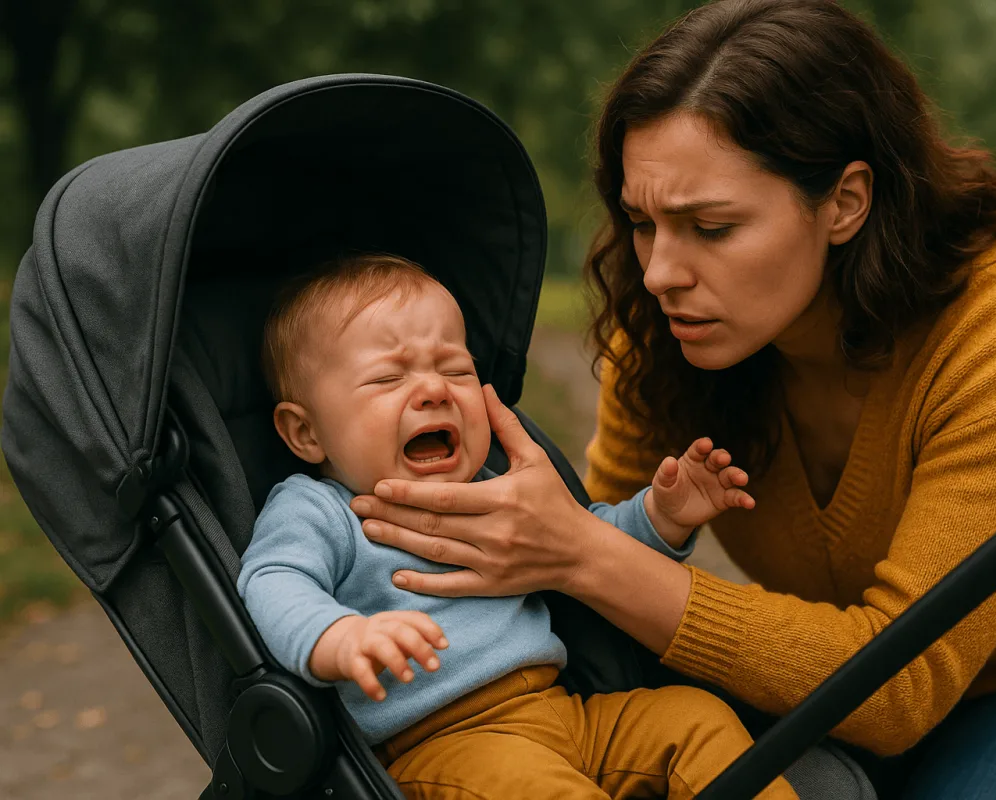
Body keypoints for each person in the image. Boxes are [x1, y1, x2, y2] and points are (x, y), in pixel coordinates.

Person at [348, 1, 996, 798]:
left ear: (845, 202)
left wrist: (581, 552)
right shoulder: (673, 327)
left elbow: (898, 688)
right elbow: (603, 553)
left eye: (710, 228)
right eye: (643, 221)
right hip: (823, 684)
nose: (658, 272)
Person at [237, 253, 796, 800]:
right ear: (305, 434)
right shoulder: (320, 509)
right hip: (449, 744)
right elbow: (272, 579)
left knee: (694, 717)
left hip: (566, 711)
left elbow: (582, 537)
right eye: (387, 378)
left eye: (456, 368)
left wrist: (660, 518)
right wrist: (338, 635)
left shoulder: (492, 483)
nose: (435, 390)